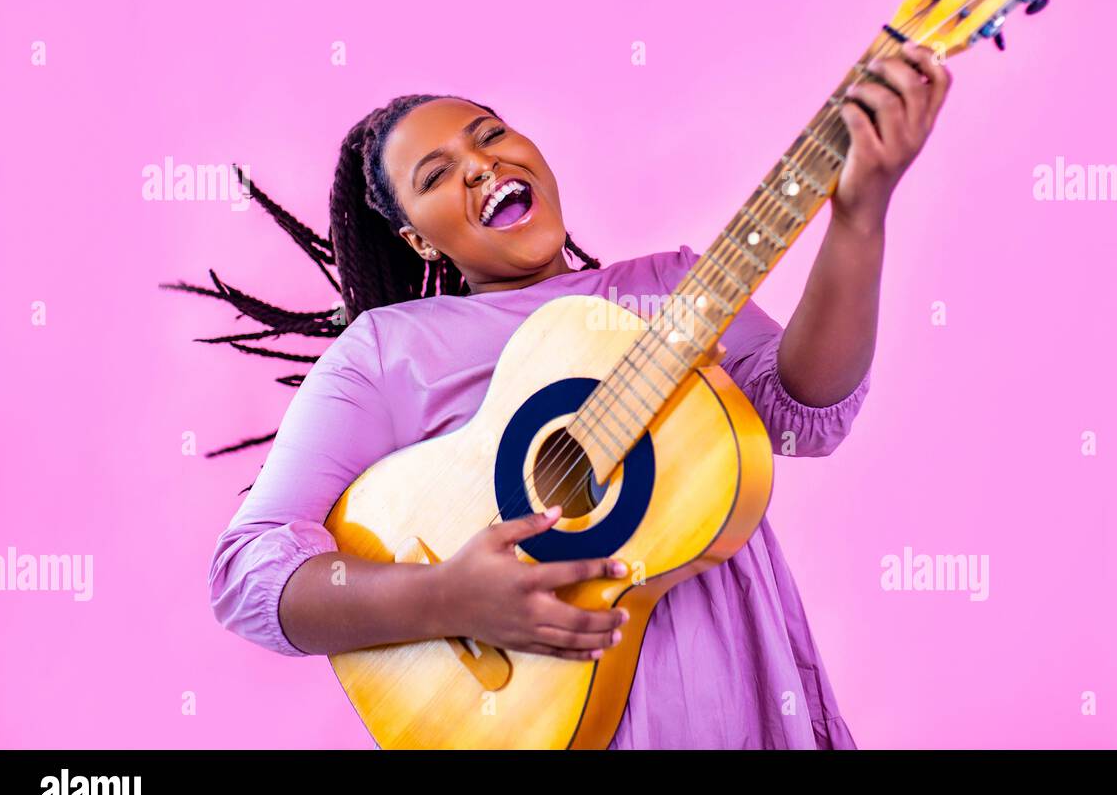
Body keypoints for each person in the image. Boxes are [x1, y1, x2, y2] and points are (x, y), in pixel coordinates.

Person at [184, 42, 950, 748]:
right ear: (418, 238)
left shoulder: (674, 288)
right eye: (437, 173)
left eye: (490, 135)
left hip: (742, 702)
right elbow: (248, 571)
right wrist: (447, 600)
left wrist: (858, 218)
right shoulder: (389, 352)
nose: (480, 166)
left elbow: (802, 417)